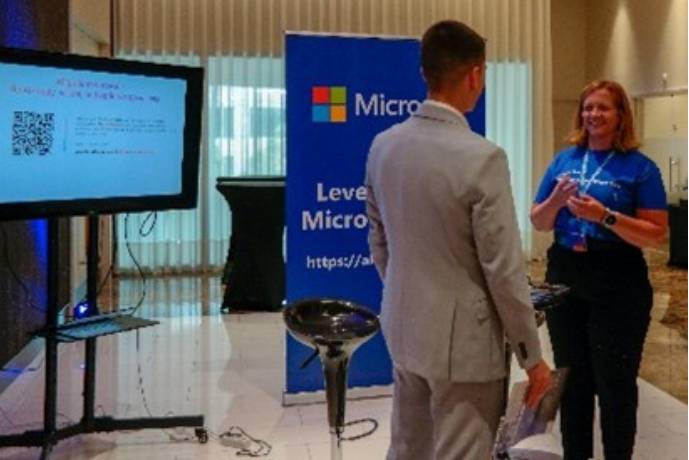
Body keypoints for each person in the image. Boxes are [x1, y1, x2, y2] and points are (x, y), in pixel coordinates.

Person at [365, 20, 551, 459]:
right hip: (465, 346)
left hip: (404, 325)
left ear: (425, 72)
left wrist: (413, 296)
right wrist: (532, 357)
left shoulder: (383, 146)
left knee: (407, 447)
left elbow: (379, 242)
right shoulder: (483, 158)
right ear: (475, 74)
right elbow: (503, 272)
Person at [531, 80, 668, 460]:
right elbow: (539, 222)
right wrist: (556, 201)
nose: (593, 114)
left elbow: (655, 234)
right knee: (572, 379)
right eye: (588, 107)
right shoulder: (564, 160)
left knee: (614, 382)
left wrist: (604, 216)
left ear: (621, 114)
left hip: (617, 276)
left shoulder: (640, 168)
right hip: (566, 270)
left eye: (603, 108)